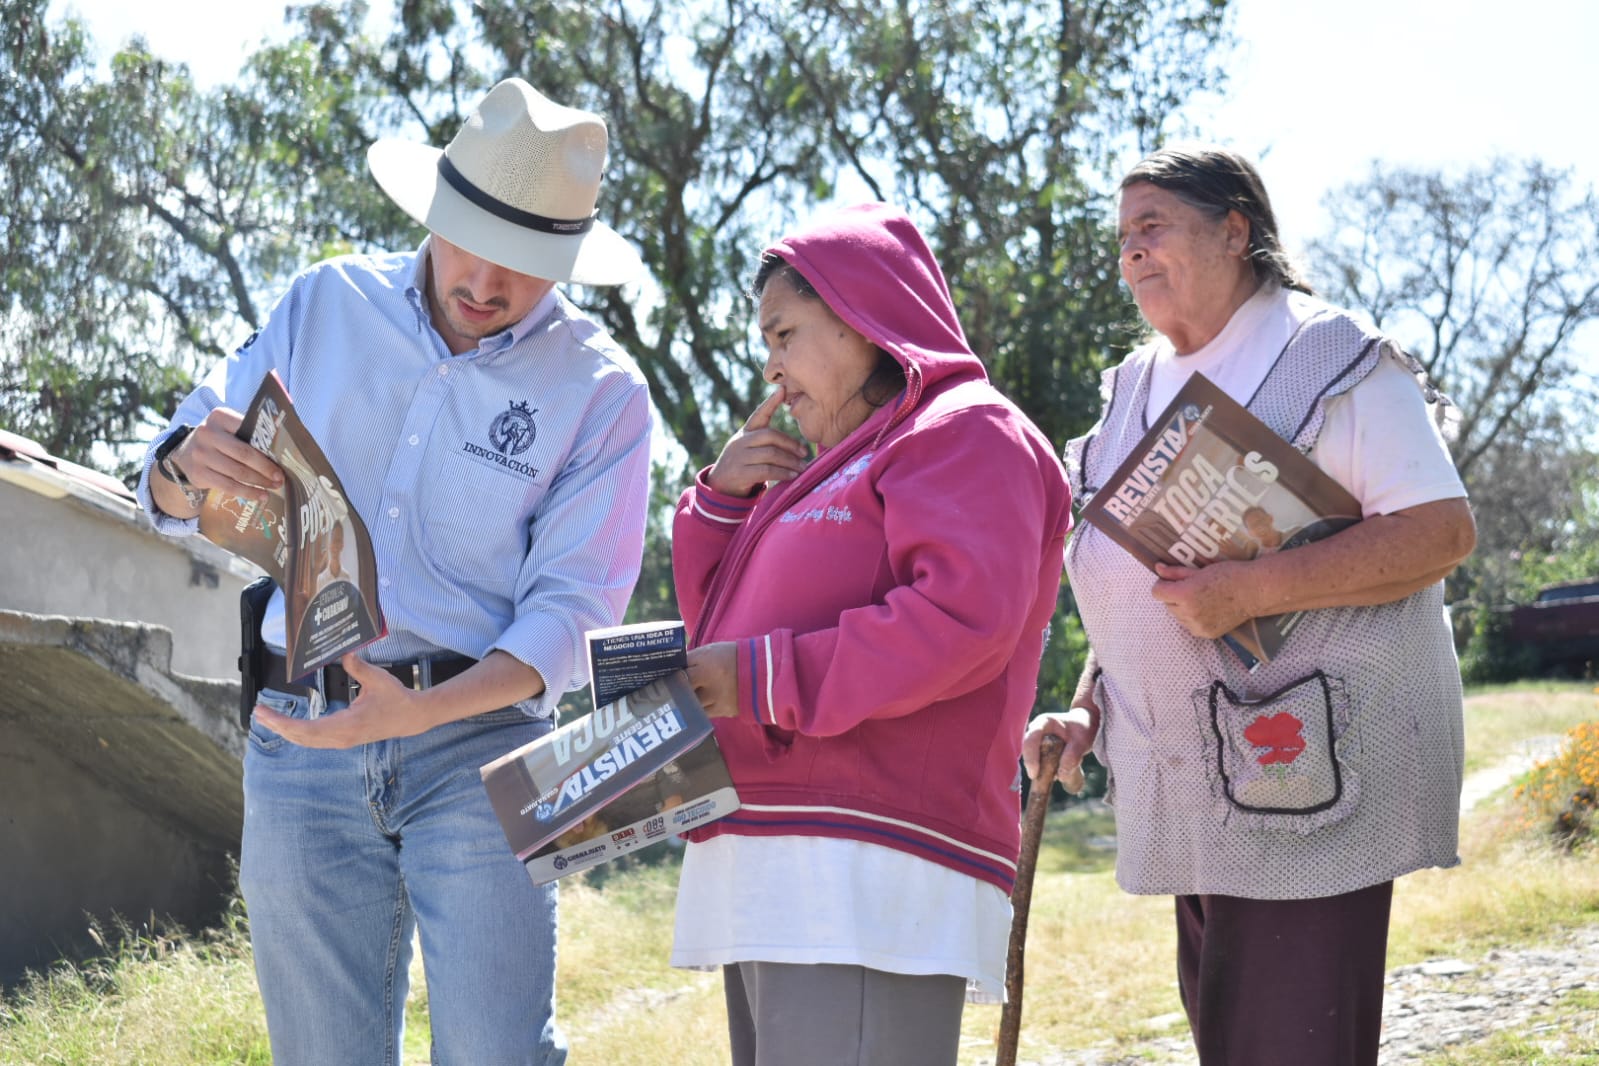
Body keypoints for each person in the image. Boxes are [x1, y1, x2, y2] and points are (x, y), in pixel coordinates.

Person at [138, 78, 653, 1065]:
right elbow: (179, 460)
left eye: (527, 265)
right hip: (301, 740)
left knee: (498, 1053)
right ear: (435, 211)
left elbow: (574, 610)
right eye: (471, 244)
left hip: (484, 746)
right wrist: (175, 467)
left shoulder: (603, 393)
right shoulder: (319, 301)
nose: (488, 284)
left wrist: (420, 713)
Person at [1024, 145, 1476, 1066]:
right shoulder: (1131, 389)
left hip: (1315, 762)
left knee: (1283, 1044)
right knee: (1237, 1039)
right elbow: (1144, 583)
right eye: (1122, 238)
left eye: (1153, 227)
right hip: (1192, 783)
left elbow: (1441, 532)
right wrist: (1086, 710)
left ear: (1235, 229)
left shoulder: (1326, 357)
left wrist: (1252, 589)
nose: (1132, 253)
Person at [670, 203, 1072, 1066]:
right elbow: (720, 630)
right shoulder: (833, 461)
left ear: (859, 319)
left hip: (865, 860)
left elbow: (963, 620)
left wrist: (760, 678)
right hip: (781, 853)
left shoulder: (966, 429)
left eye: (782, 334)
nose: (770, 369)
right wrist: (719, 505)